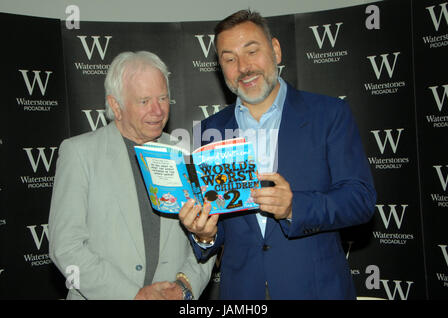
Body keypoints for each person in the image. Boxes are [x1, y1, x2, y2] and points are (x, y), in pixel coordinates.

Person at [179, 9, 377, 299]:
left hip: (316, 290)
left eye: (252, 51)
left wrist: (295, 207)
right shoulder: (209, 131)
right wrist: (204, 233)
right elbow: (220, 229)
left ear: (275, 50)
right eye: (229, 58)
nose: (243, 67)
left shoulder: (329, 114)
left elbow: (360, 200)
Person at [48, 51, 215, 300]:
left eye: (163, 98)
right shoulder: (79, 153)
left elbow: (205, 235)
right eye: (144, 101)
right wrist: (131, 296)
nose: (158, 111)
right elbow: (65, 247)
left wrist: (184, 287)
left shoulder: (184, 154)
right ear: (116, 105)